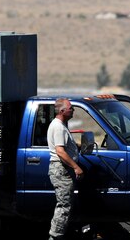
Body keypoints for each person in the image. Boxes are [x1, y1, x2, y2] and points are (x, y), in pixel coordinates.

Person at [47, 98, 84, 240]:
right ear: (62, 111)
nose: (73, 109)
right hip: (61, 170)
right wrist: (76, 167)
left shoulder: (62, 125)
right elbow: (60, 152)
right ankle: (55, 237)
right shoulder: (58, 127)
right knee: (64, 206)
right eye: (70, 108)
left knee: (66, 204)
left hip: (62, 170)